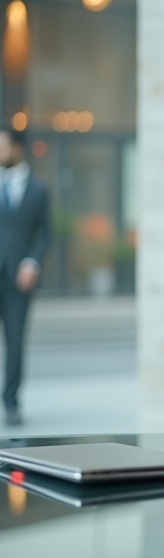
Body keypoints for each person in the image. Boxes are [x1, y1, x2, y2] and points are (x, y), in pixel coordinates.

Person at [0, 125, 50, 426]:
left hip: (19, 280)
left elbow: (45, 233)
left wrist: (32, 262)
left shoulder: (39, 189)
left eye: (2, 146)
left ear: (17, 149)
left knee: (15, 342)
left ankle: (11, 402)